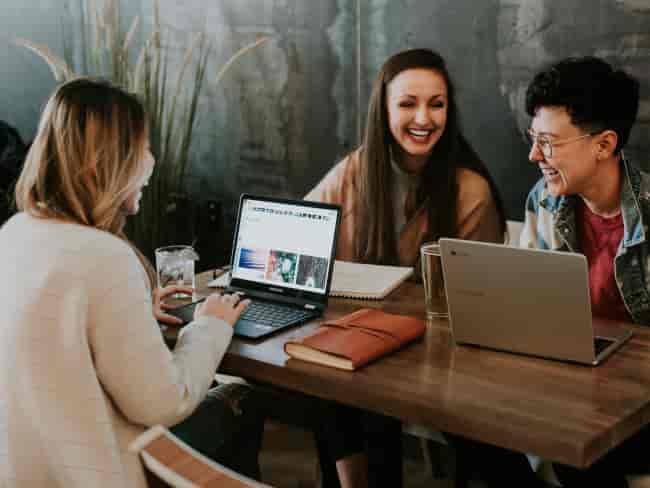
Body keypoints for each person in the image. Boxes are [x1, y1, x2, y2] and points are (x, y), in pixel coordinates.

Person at [0, 78, 263, 488]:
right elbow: (162, 402)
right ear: (108, 161)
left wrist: (137, 309)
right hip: (94, 469)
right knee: (242, 399)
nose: (151, 161)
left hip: (27, 470)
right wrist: (210, 326)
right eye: (141, 149)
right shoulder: (104, 256)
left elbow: (56, 341)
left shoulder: (16, 232)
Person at [305, 48, 507, 488]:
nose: (424, 118)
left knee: (362, 390)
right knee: (326, 375)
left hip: (438, 353)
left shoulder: (469, 190)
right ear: (384, 110)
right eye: (408, 103)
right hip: (359, 340)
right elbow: (303, 231)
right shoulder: (358, 169)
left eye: (436, 104)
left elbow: (478, 302)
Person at [518, 56, 649, 487]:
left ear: (604, 145)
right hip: (572, 387)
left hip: (638, 403)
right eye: (533, 138)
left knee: (579, 443)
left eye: (549, 142)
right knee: (468, 424)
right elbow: (529, 310)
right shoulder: (545, 200)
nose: (535, 155)